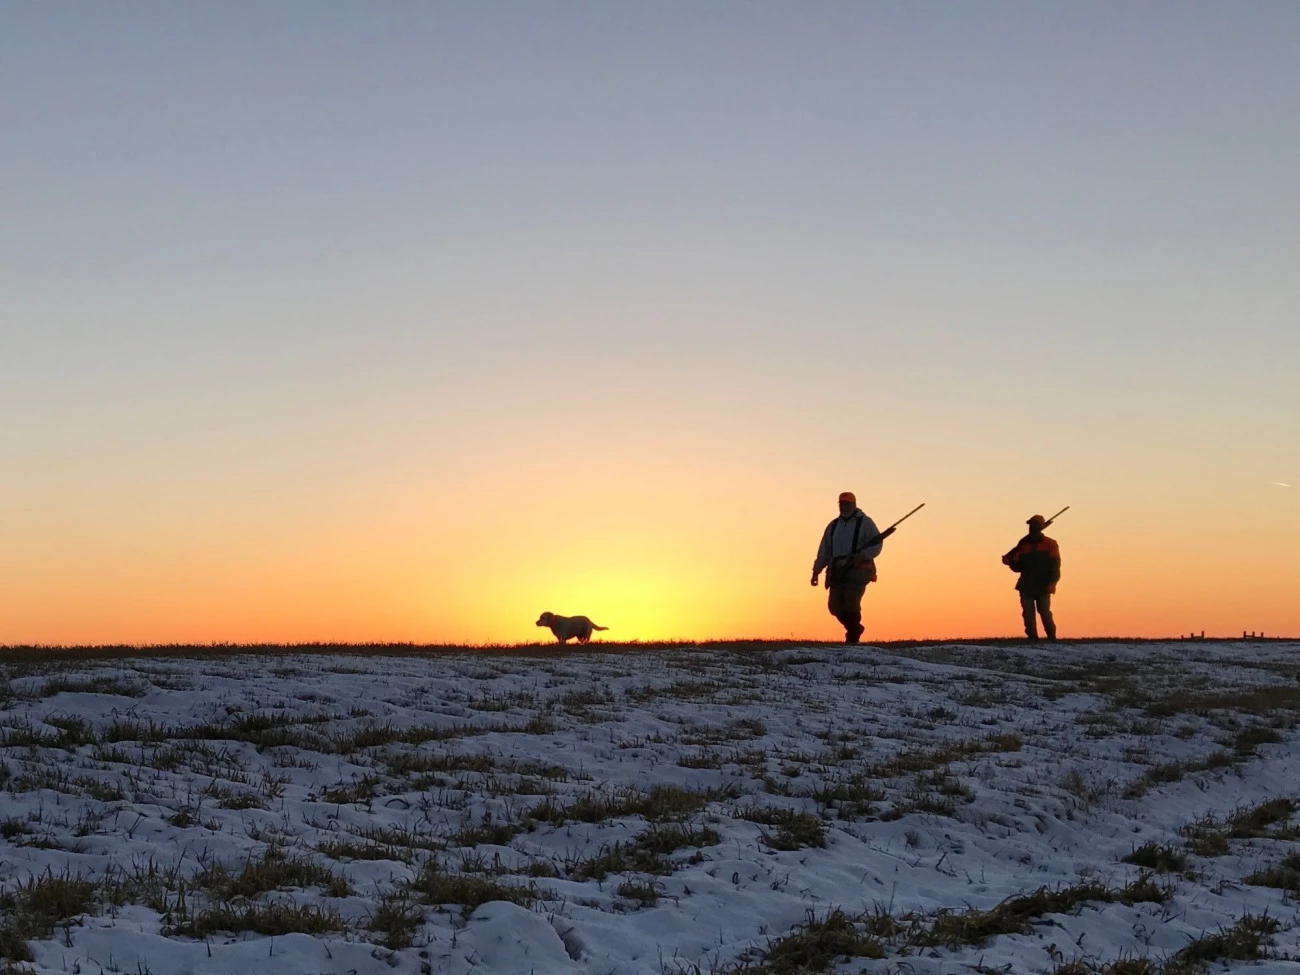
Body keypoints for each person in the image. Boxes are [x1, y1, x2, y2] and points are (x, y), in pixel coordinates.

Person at [810, 492, 883, 644]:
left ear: (854, 504)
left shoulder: (865, 522)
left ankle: (852, 637)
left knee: (851, 600)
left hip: (859, 568)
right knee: (834, 606)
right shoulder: (833, 526)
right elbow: (825, 550)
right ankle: (855, 627)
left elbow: (877, 544)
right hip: (837, 568)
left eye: (847, 503)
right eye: (841, 503)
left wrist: (862, 555)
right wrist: (816, 570)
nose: (844, 506)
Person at [1001, 514, 1061, 641]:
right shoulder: (1023, 544)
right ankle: (1032, 637)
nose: (1031, 527)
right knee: (1028, 613)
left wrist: (1053, 582)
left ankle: (1051, 637)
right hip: (1026, 584)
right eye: (1030, 525)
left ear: (1040, 527)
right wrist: (1010, 562)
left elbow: (1055, 566)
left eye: (1034, 525)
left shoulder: (1051, 544)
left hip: (1043, 584)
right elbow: (1018, 567)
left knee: (1044, 611)